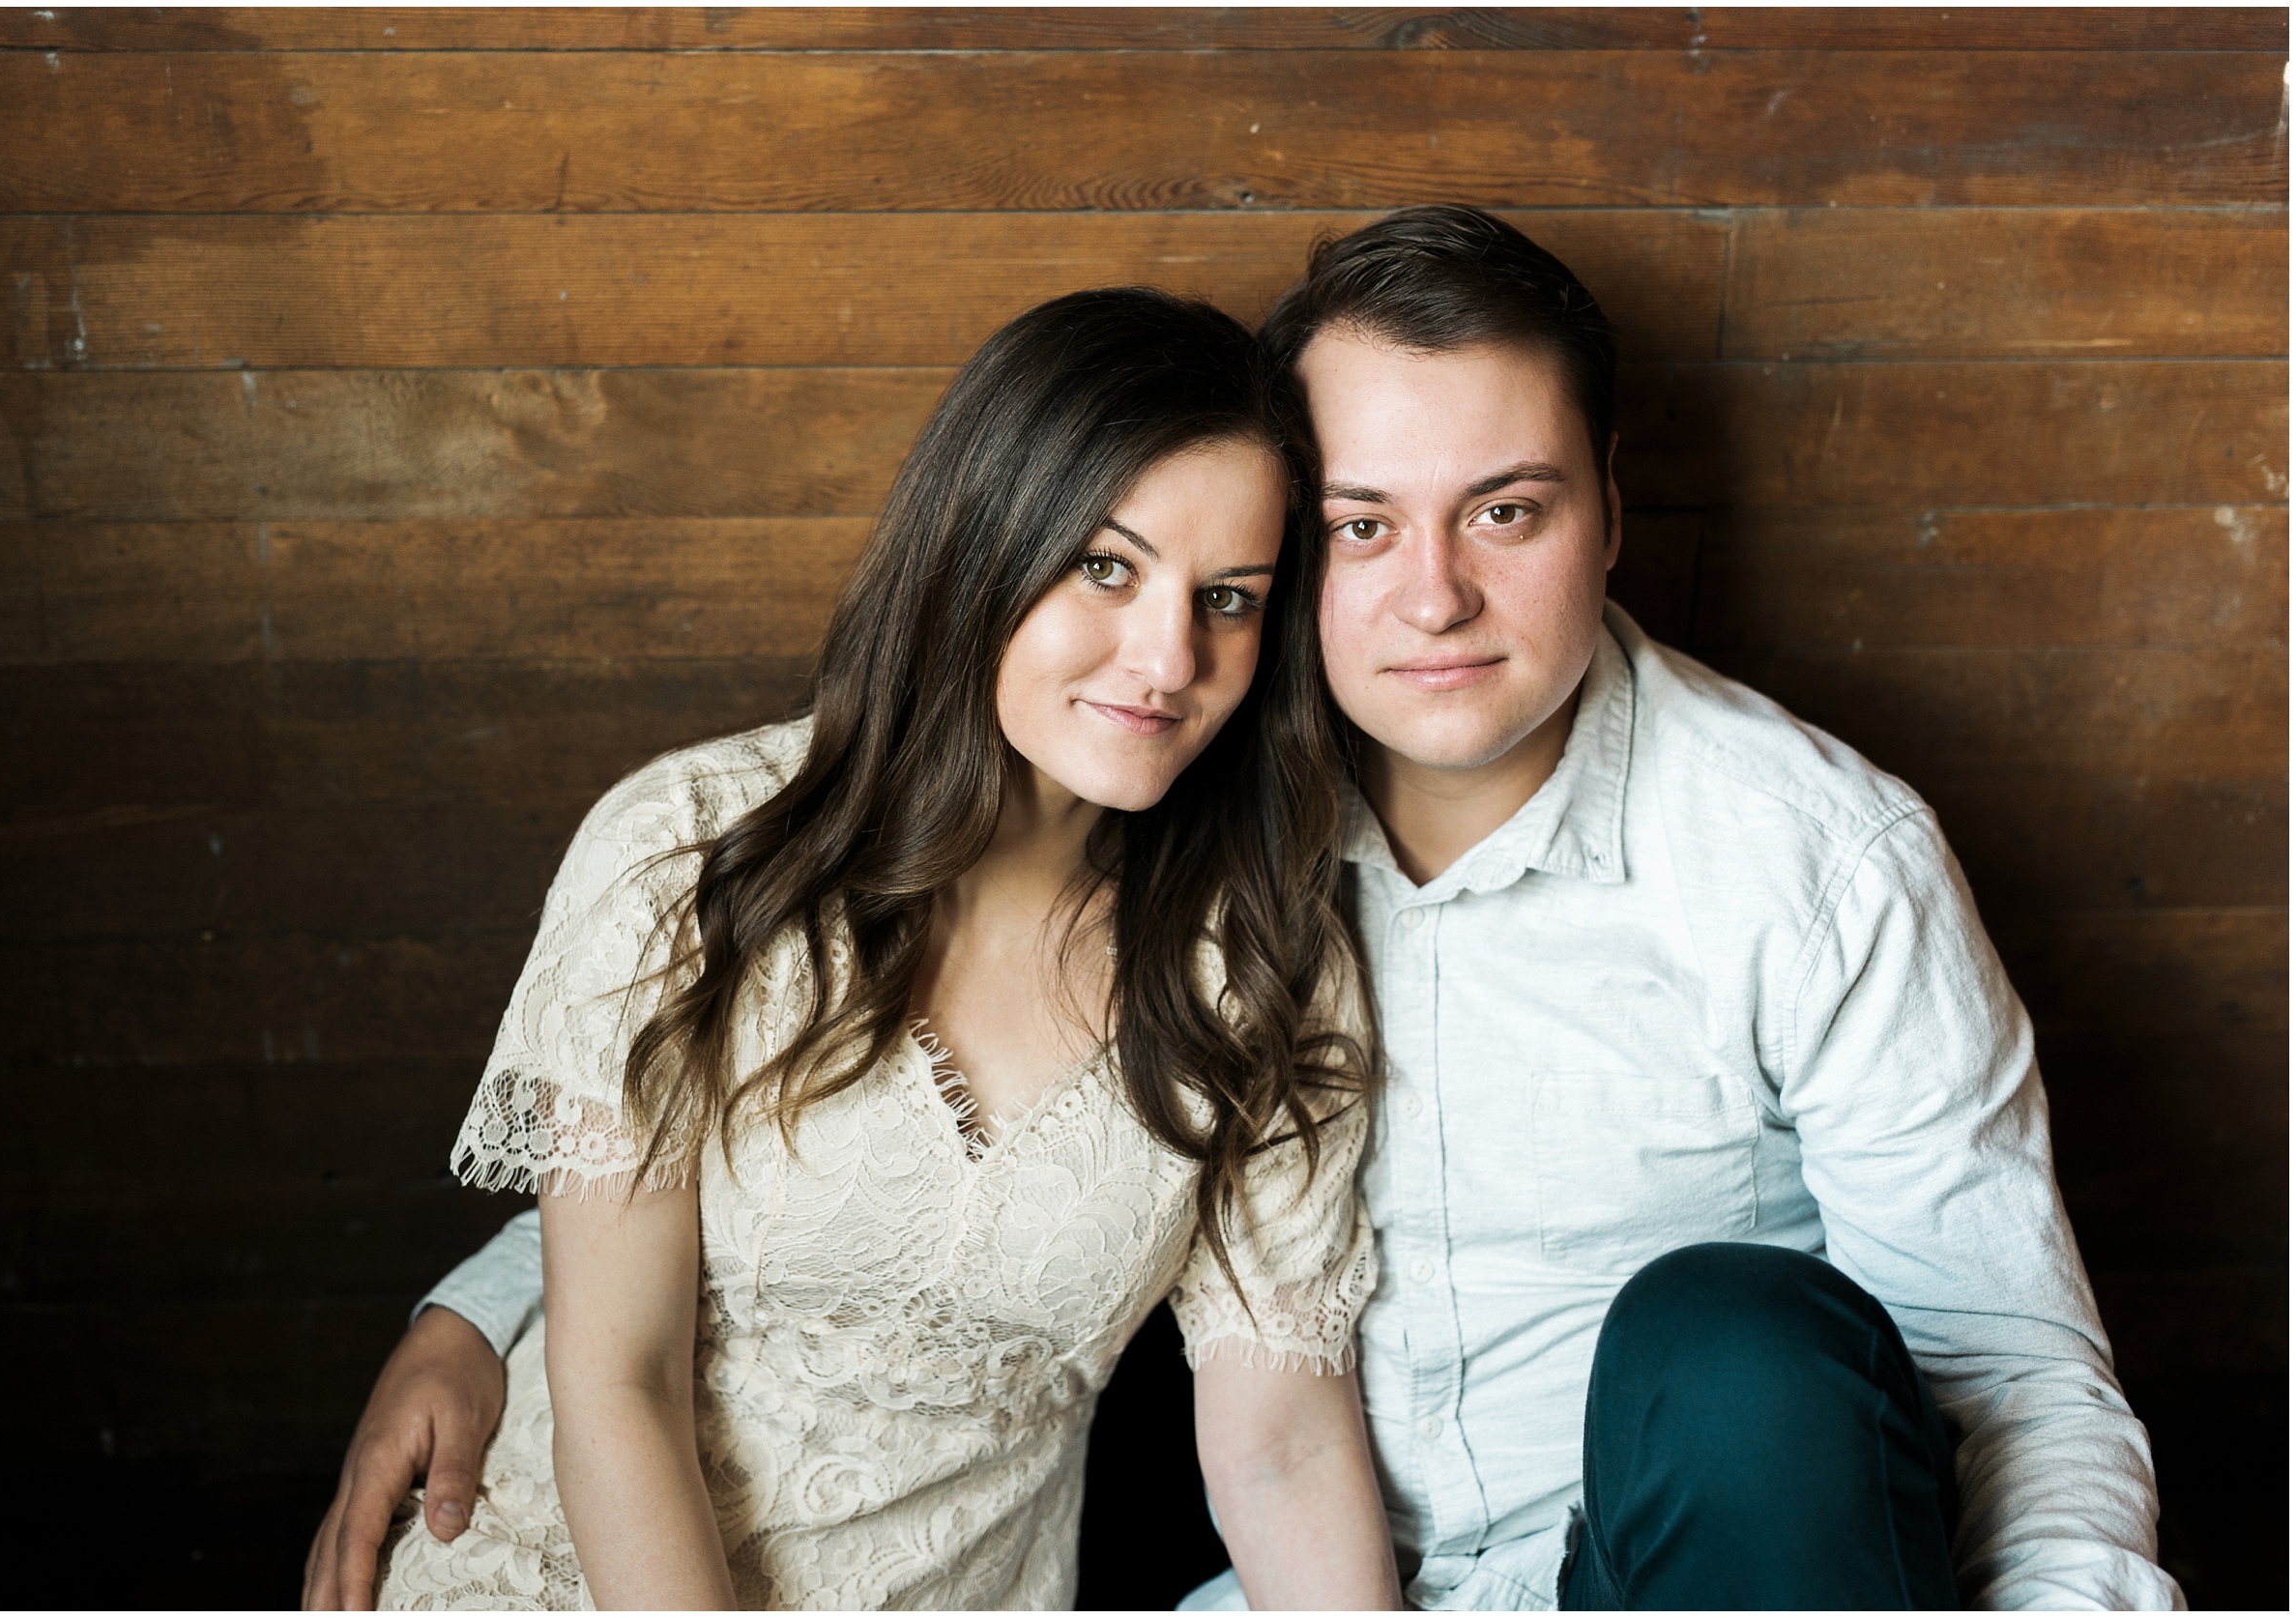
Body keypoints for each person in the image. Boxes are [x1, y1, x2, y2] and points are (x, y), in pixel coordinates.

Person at [310, 212, 2180, 1611]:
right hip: (1289, 1585)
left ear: (1611, 508)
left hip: (1668, 1564)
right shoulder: (1196, 822)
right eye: (1363, 525)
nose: (1431, 595)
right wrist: (489, 1310)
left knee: (1737, 1342)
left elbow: (2009, 1376)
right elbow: (761, 1154)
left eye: (1506, 512)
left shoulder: (1794, 861)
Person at [340, 287, 1401, 1610]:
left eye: (1230, 598)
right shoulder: (687, 852)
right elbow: (617, 1378)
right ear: (983, 542)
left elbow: (1285, 1446)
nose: (1168, 656)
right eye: (1108, 566)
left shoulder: (1259, 973)